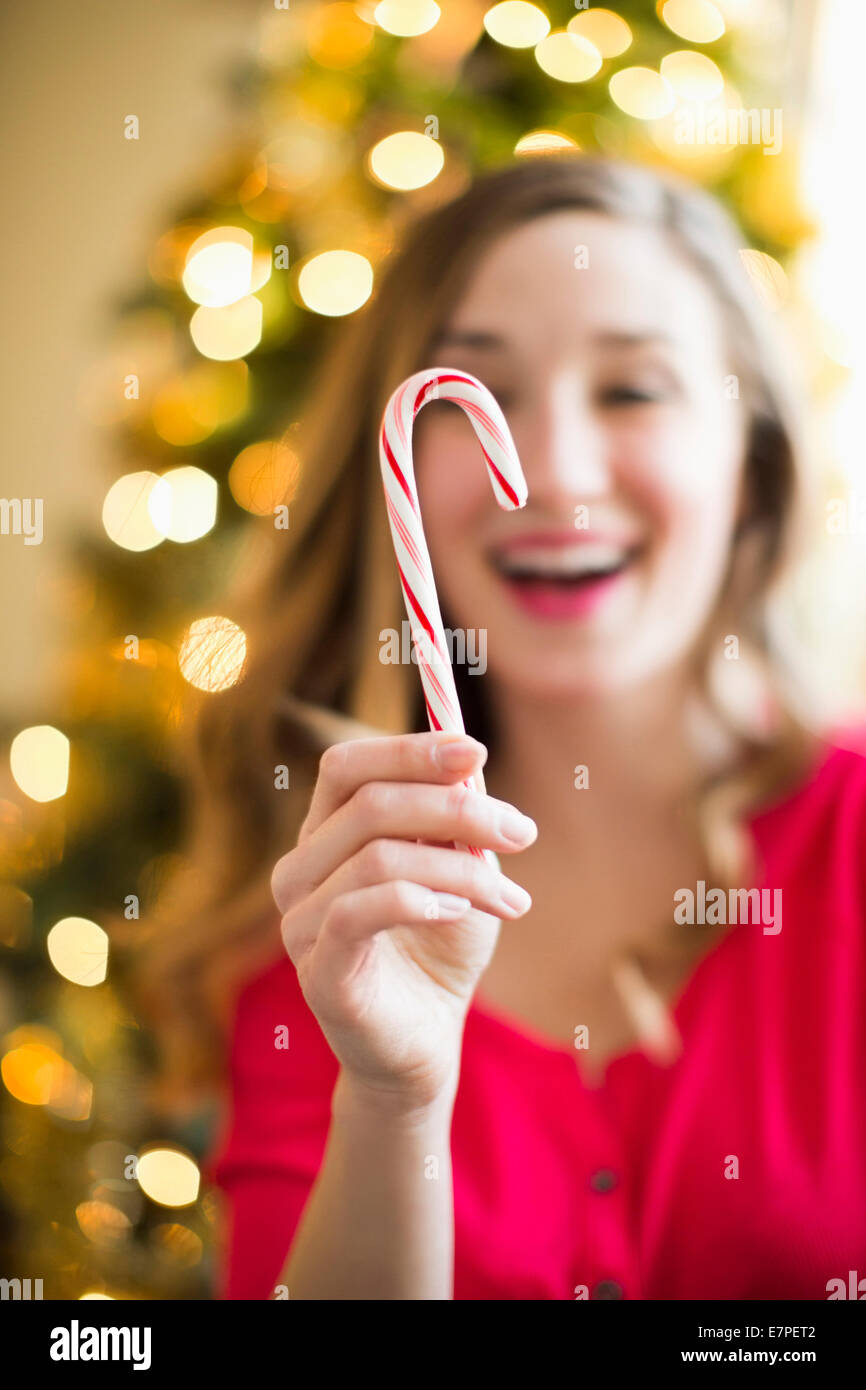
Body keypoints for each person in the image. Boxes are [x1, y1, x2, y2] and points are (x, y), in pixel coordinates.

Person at [135, 156, 866, 1300]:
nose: (552, 474)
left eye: (632, 390)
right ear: (398, 479)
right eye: (476, 393)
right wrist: (391, 1102)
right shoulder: (330, 916)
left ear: (753, 467)